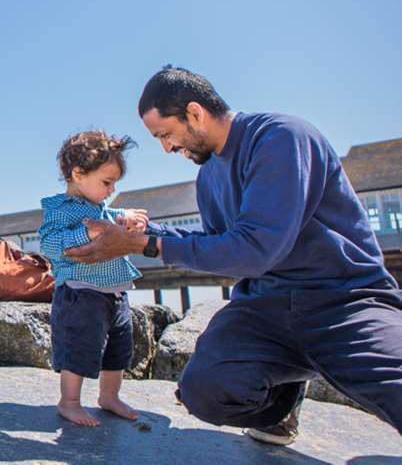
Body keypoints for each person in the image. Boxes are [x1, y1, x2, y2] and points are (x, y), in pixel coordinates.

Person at [65, 65, 402, 444]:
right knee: (203, 391)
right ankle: (281, 399)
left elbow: (254, 250)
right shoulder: (208, 176)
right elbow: (218, 245)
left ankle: (322, 363)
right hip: (265, 309)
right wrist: (140, 233)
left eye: (165, 134)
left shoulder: (281, 138)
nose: (166, 147)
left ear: (195, 113)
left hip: (343, 300)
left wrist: (145, 246)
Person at [39, 130, 149, 426]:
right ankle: (69, 401)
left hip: (115, 293)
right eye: (107, 182)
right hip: (80, 293)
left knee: (119, 350)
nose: (111, 189)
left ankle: (109, 397)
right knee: (80, 347)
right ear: (78, 173)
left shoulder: (99, 208)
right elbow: (49, 244)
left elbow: (107, 215)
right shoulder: (60, 210)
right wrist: (85, 233)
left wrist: (125, 216)